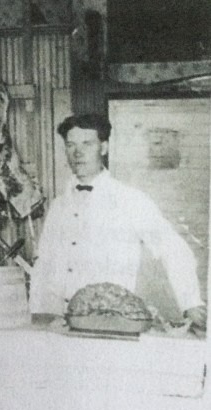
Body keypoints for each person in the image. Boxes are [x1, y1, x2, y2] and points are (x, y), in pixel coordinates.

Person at [30, 114, 207, 328]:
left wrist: (190, 302)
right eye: (71, 145)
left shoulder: (130, 200)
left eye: (87, 144)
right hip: (58, 324)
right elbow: (43, 264)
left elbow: (173, 248)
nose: (77, 153)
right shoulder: (58, 206)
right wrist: (37, 315)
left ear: (103, 148)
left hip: (109, 322)